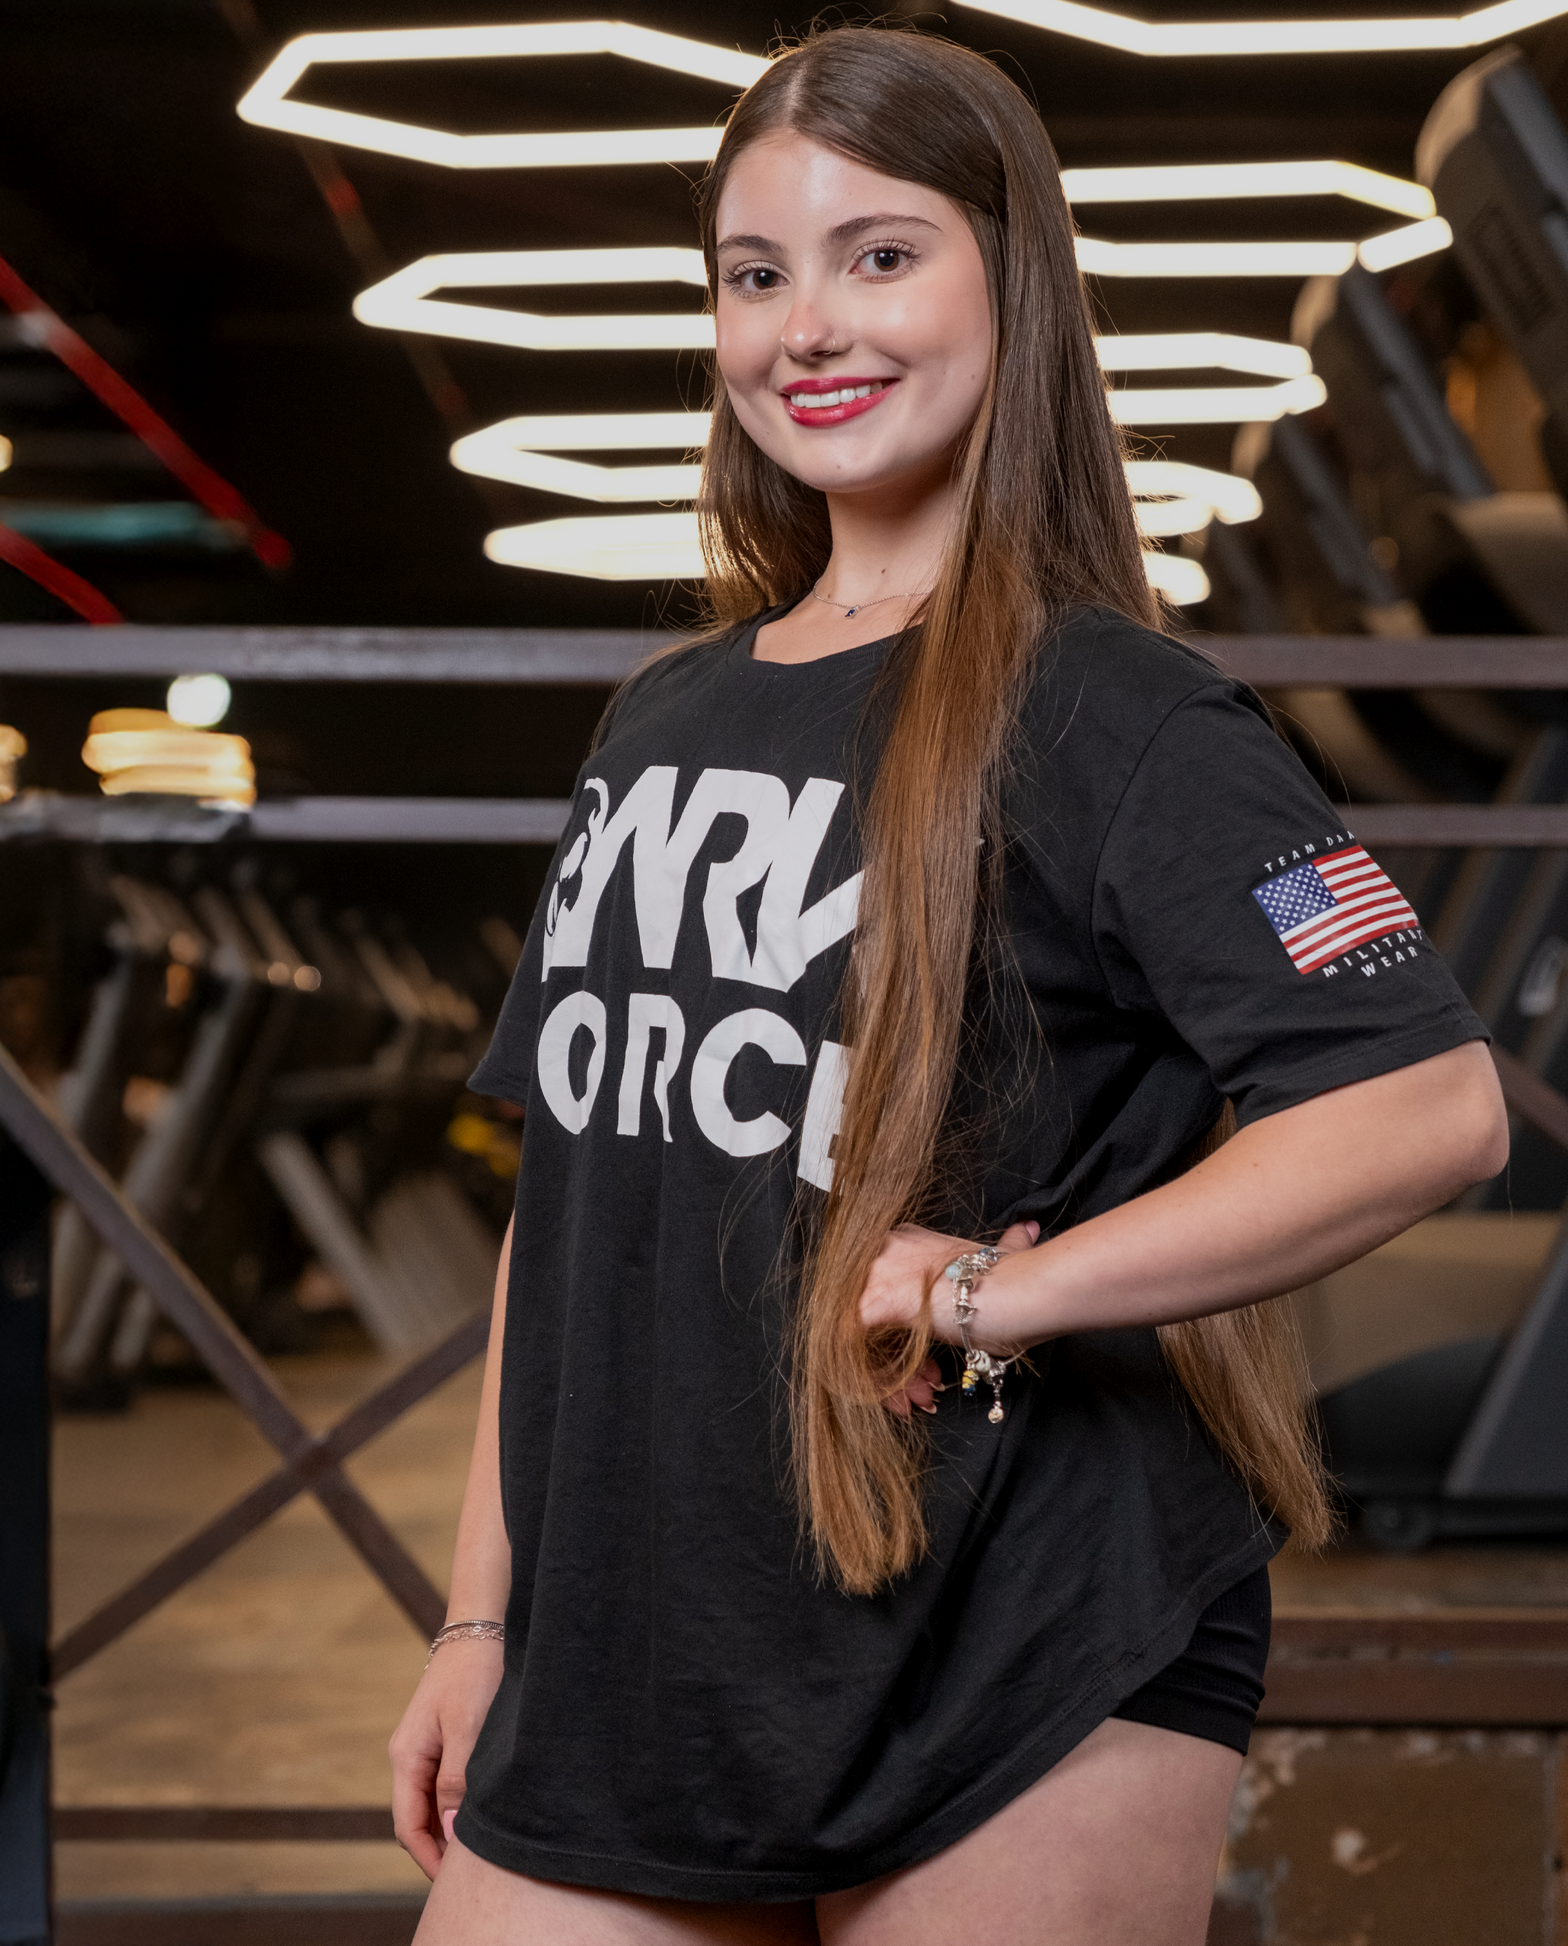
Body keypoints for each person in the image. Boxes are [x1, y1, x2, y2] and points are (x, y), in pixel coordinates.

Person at [392, 25, 1507, 1944]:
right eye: (756, 275)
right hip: (644, 1651)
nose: (806, 327)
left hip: (1024, 1638)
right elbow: (568, 1205)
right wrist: (478, 1620)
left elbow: (1426, 1103)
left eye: (880, 255)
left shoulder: (1122, 713)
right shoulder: (659, 719)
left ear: (1014, 280)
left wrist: (1005, 1289)